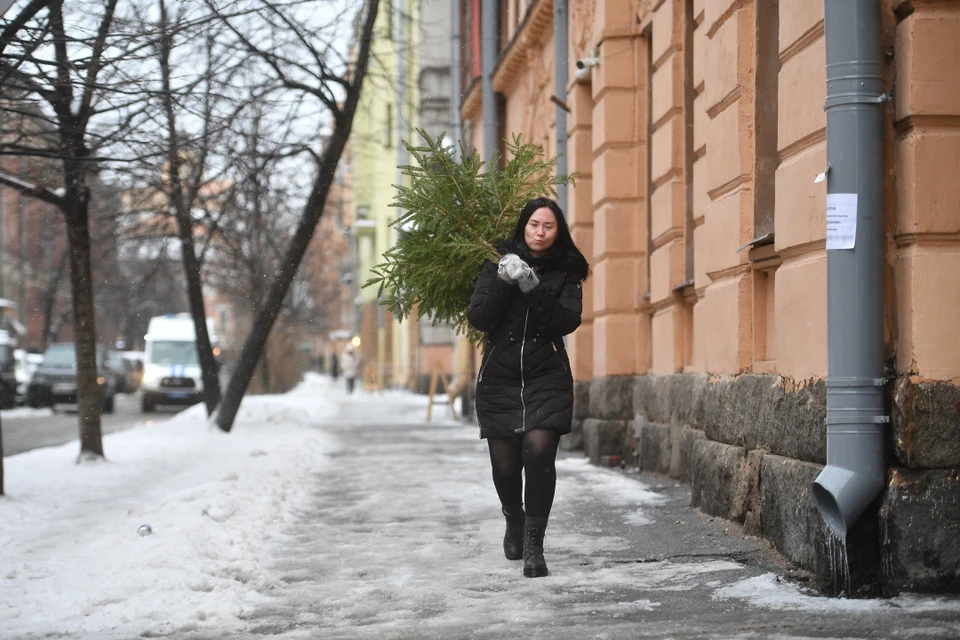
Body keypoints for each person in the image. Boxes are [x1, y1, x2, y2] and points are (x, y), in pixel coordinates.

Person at [467, 196, 589, 578]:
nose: (540, 232)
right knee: (505, 466)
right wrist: (506, 279)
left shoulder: (568, 271)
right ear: (524, 226)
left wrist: (531, 285)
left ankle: (535, 545)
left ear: (558, 231)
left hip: (546, 376)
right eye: (535, 224)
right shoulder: (496, 263)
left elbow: (564, 322)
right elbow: (481, 318)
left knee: (538, 453)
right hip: (500, 377)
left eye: (548, 226)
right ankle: (513, 518)